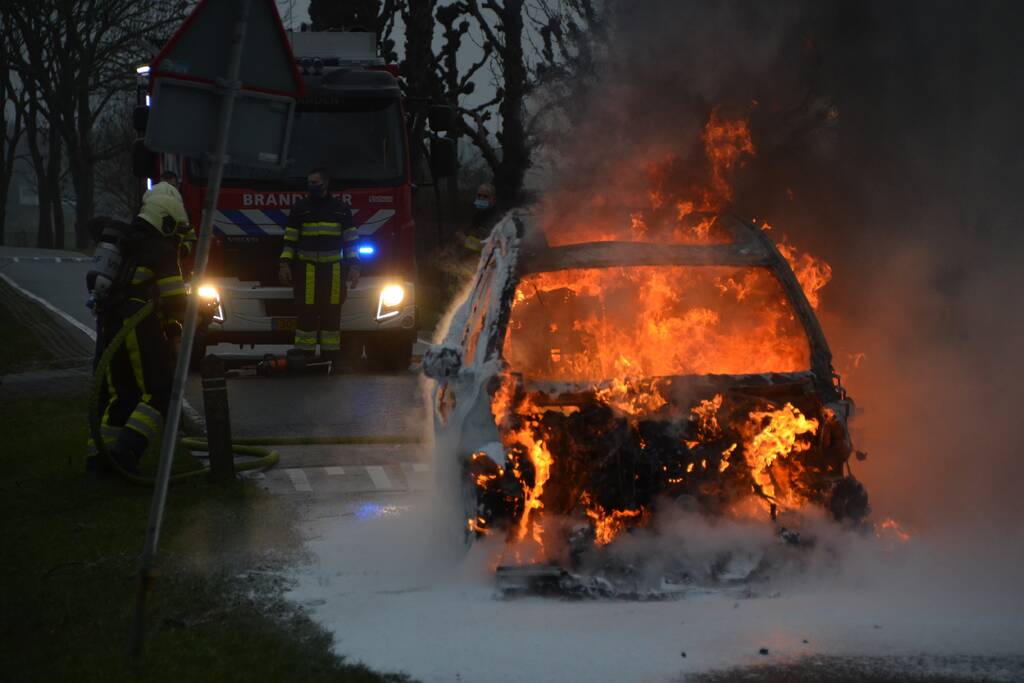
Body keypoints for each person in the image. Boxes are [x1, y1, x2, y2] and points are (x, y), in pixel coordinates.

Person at [87, 173, 191, 474]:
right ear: (166, 220)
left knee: (123, 395)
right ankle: (126, 454)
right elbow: (174, 300)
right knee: (160, 392)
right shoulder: (161, 249)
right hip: (137, 324)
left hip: (109, 323)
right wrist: (182, 326)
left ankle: (98, 462)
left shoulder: (126, 240)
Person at [278, 168, 360, 361]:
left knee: (332, 314)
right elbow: (290, 240)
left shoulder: (341, 209)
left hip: (333, 272)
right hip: (306, 271)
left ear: (326, 183)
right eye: (309, 183)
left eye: (315, 183)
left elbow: (351, 242)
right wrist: (284, 264)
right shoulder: (300, 209)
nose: (311, 186)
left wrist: (355, 267)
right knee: (305, 314)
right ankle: (303, 358)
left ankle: (330, 357)